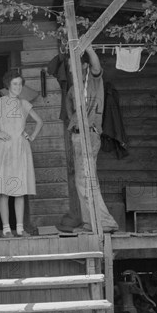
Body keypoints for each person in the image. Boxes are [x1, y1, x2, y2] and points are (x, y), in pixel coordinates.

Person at [0, 69, 43, 236]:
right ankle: (6, 229)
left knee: (20, 190)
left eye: (20, 84)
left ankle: (19, 228)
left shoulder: (24, 103)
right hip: (4, 147)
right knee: (4, 190)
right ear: (8, 85)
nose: (18, 87)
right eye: (15, 84)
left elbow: (39, 121)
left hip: (20, 147)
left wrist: (30, 136)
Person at [59, 46, 119, 233]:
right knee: (81, 181)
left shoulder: (92, 81)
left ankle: (105, 222)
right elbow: (70, 116)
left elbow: (96, 65)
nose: (70, 69)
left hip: (89, 134)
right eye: (69, 65)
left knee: (87, 180)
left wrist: (88, 47)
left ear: (84, 65)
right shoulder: (72, 90)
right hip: (78, 135)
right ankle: (89, 223)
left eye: (74, 64)